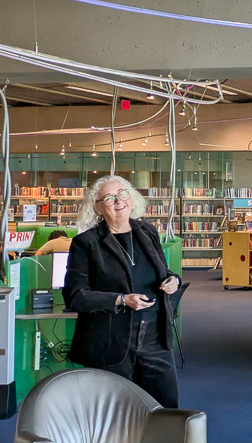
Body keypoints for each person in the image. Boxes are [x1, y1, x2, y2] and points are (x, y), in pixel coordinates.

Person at [63, 175, 181, 408]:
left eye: (122, 193)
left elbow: (164, 271)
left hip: (155, 339)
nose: (118, 201)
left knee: (165, 409)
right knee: (116, 412)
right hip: (112, 342)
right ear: (97, 207)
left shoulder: (147, 231)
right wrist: (121, 300)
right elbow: (75, 295)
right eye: (109, 198)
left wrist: (173, 280)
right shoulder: (86, 243)